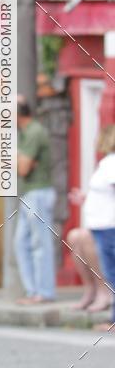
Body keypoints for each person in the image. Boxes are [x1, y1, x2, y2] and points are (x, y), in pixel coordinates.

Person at [14, 96, 57, 304]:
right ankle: (33, 291)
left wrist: (9, 158)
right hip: (30, 193)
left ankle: (44, 292)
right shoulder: (25, 133)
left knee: (40, 244)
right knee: (21, 243)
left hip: (38, 193)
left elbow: (22, 169)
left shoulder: (33, 132)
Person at [72, 125, 115, 331]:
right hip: (100, 225)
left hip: (108, 226)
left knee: (112, 273)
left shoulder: (111, 163)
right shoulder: (106, 163)